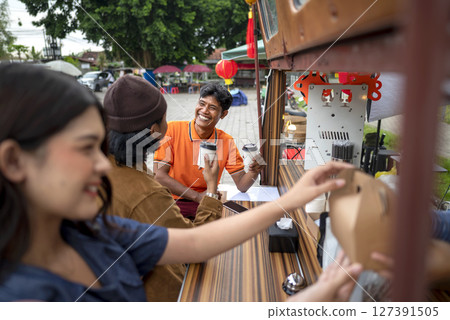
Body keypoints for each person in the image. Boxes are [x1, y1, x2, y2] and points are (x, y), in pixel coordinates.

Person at [0, 63, 353, 302]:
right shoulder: (26, 293)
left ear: (223, 115)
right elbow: (163, 185)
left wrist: (274, 181)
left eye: (212, 109)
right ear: (14, 161)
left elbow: (202, 234)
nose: (101, 164)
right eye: (85, 147)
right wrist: (209, 192)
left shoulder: (96, 230)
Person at [103, 75, 223, 301]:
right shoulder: (145, 193)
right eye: (164, 119)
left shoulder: (95, 165)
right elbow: (195, 246)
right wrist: (212, 188)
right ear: (153, 131)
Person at [153, 83, 265, 218]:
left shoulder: (226, 141)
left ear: (223, 114)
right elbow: (159, 176)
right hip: (171, 201)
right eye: (202, 103)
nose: (204, 111)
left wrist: (254, 171)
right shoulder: (172, 130)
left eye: (212, 107)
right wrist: (197, 196)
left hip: (207, 202)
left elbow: (242, 185)